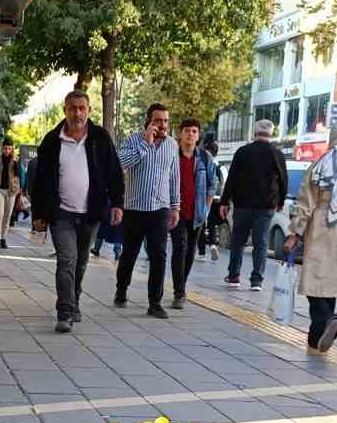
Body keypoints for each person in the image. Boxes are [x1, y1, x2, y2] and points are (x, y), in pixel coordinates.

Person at [31, 89, 125, 334]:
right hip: (61, 212)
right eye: (72, 108)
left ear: (89, 110)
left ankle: (75, 301)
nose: (77, 113)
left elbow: (115, 172)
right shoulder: (52, 140)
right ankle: (65, 311)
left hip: (91, 213)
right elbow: (39, 182)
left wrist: (117, 203)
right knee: (66, 259)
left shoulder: (100, 138)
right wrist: (39, 215)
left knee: (81, 262)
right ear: (65, 110)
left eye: (82, 108)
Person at [285, 116, 337, 353]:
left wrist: (295, 233)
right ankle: (317, 337)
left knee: (314, 281)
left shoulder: (321, 163)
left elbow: (305, 201)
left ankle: (326, 322)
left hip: (321, 223)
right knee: (330, 283)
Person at [114, 103, 182, 318]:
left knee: (159, 255)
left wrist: (175, 207)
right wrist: (145, 144)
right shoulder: (134, 140)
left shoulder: (172, 145)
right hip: (135, 208)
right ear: (148, 121)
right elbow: (120, 163)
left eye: (165, 121)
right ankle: (121, 289)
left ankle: (155, 302)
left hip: (159, 210)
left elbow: (174, 177)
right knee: (129, 254)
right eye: (158, 120)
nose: (162, 125)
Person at [223, 119, 288, 290]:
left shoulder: (243, 152)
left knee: (238, 241)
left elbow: (232, 179)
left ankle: (234, 276)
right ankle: (257, 280)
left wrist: (224, 201)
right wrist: (280, 201)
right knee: (261, 243)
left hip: (243, 204)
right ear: (271, 133)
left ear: (255, 132)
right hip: (266, 206)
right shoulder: (277, 154)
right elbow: (283, 180)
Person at [171, 117, 220, 308]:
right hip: (176, 210)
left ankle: (181, 285)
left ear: (198, 135)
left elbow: (212, 184)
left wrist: (206, 207)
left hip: (197, 212)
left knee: (190, 250)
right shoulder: (172, 154)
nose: (190, 134)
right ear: (180, 133)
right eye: (187, 131)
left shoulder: (205, 157)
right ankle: (179, 292)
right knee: (180, 247)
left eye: (194, 131)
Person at [0, 139, 23, 249]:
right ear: (2, 148)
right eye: (5, 148)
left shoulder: (15, 160)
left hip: (11, 191)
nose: (7, 150)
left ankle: (4, 238)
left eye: (9, 148)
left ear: (12, 149)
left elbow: (19, 174)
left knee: (8, 215)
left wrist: (15, 161)